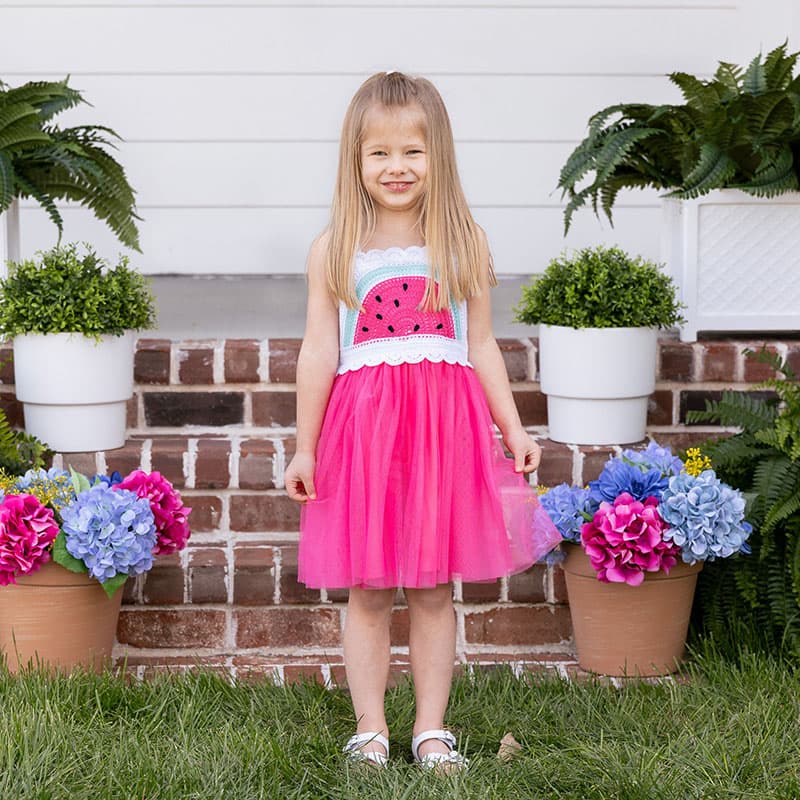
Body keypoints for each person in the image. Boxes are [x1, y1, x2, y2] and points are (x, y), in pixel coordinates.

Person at [284, 71, 560, 771]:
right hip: (364, 433)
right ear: (356, 160)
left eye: (414, 151)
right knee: (370, 587)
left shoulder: (465, 242)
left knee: (435, 588)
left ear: (439, 156)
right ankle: (370, 727)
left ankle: (430, 729)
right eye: (379, 153)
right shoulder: (334, 248)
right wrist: (303, 447)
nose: (397, 166)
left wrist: (515, 429)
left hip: (445, 432)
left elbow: (481, 346)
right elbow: (320, 352)